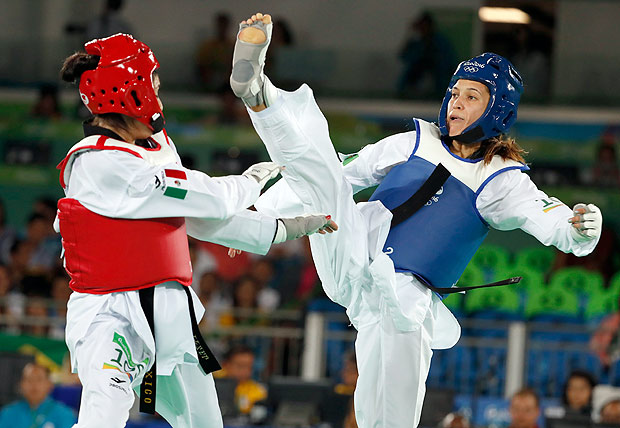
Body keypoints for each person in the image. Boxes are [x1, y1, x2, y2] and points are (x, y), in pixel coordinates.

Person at [228, 13, 603, 428]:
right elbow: (342, 172)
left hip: (404, 299)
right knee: (326, 181)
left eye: (472, 96)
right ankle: (260, 97)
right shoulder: (414, 140)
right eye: (454, 92)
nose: (457, 102)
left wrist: (579, 229)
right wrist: (260, 215)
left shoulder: (500, 179)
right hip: (355, 253)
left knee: (384, 414)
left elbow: (550, 219)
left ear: (497, 110)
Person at [56, 33, 337, 427]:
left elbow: (200, 215)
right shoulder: (99, 166)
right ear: (129, 92)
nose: (159, 92)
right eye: (152, 83)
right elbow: (211, 197)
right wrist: (252, 181)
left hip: (168, 309)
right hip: (110, 315)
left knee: (205, 422)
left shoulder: (155, 145)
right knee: (103, 415)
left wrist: (283, 229)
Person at [0, 362, 76, 427]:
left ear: (49, 384)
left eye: (39, 379)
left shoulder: (65, 414)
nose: (34, 384)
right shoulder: (8, 413)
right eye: (29, 380)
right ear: (21, 385)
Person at [218, 345, 267, 416]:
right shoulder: (212, 383)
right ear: (225, 365)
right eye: (240, 366)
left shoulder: (258, 390)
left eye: (249, 367)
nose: (245, 371)